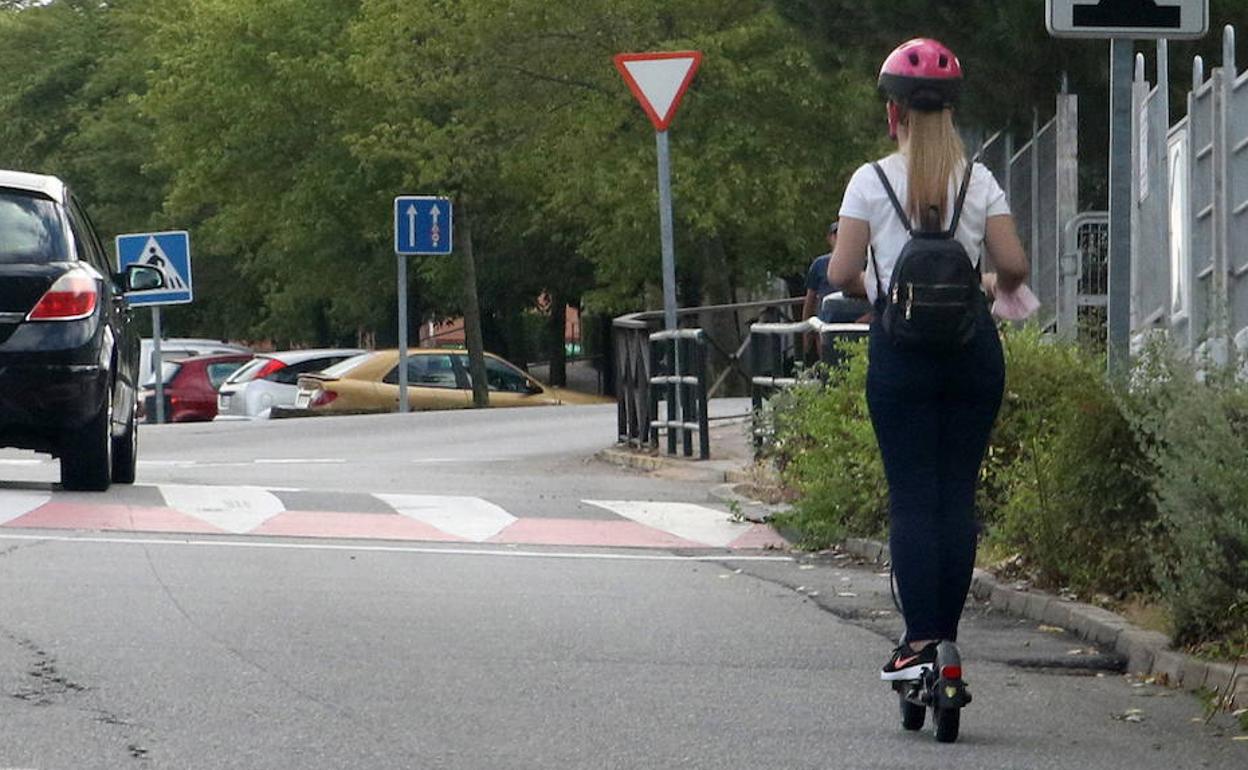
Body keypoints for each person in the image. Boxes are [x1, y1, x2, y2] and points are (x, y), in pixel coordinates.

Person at [827, 38, 1030, 681]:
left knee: (913, 496)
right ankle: (946, 643)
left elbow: (841, 271)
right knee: (956, 497)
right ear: (950, 114)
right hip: (973, 356)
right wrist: (982, 284)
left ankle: (918, 644)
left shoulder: (871, 180)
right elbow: (1015, 267)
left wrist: (882, 287)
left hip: (902, 356)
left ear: (895, 114)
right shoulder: (980, 180)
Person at [801, 221, 839, 360]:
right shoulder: (819, 264)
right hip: (825, 321)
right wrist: (806, 330)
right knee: (826, 363)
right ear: (829, 238)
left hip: (852, 320)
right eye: (836, 235)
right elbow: (810, 299)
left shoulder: (863, 262)